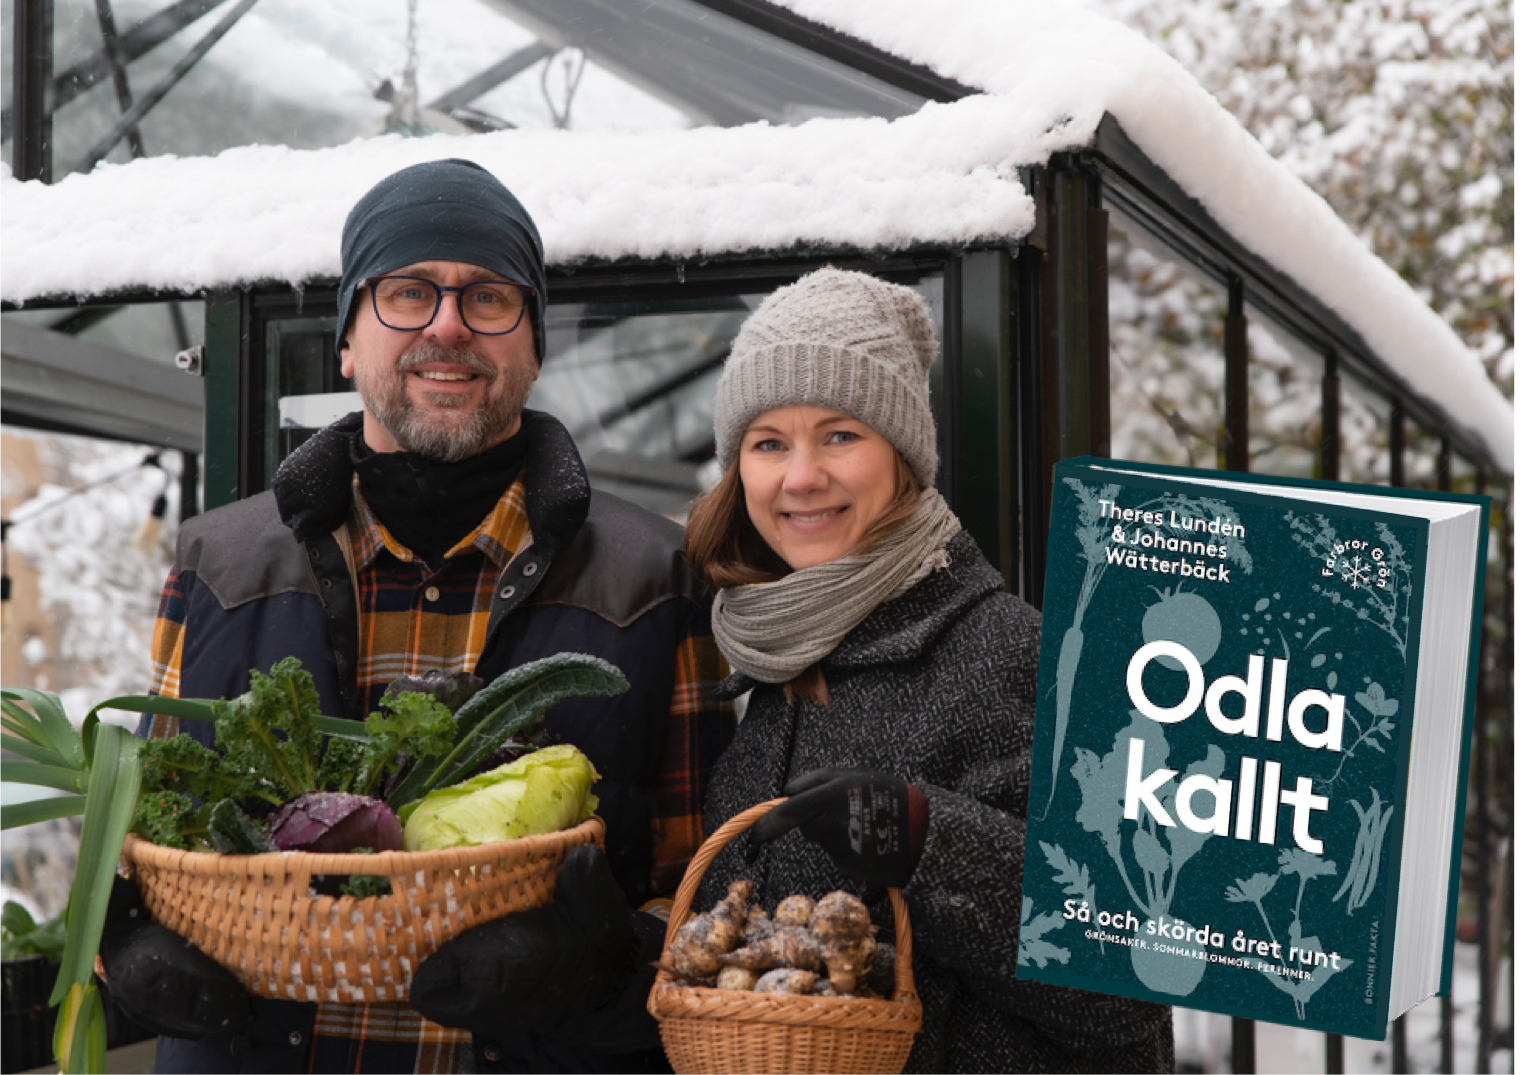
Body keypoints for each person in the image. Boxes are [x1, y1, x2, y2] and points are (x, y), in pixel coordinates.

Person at [109, 158, 733, 1074]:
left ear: (532, 344)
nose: (447, 323)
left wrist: (602, 966)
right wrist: (122, 944)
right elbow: (141, 842)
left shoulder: (654, 578)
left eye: (488, 297)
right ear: (348, 341)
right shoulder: (216, 566)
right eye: (407, 292)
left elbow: (709, 894)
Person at [684, 267, 1175, 1072]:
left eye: (839, 434)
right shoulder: (766, 660)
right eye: (768, 443)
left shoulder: (1018, 653)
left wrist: (924, 838)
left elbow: (1130, 982)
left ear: (903, 456)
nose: (800, 476)